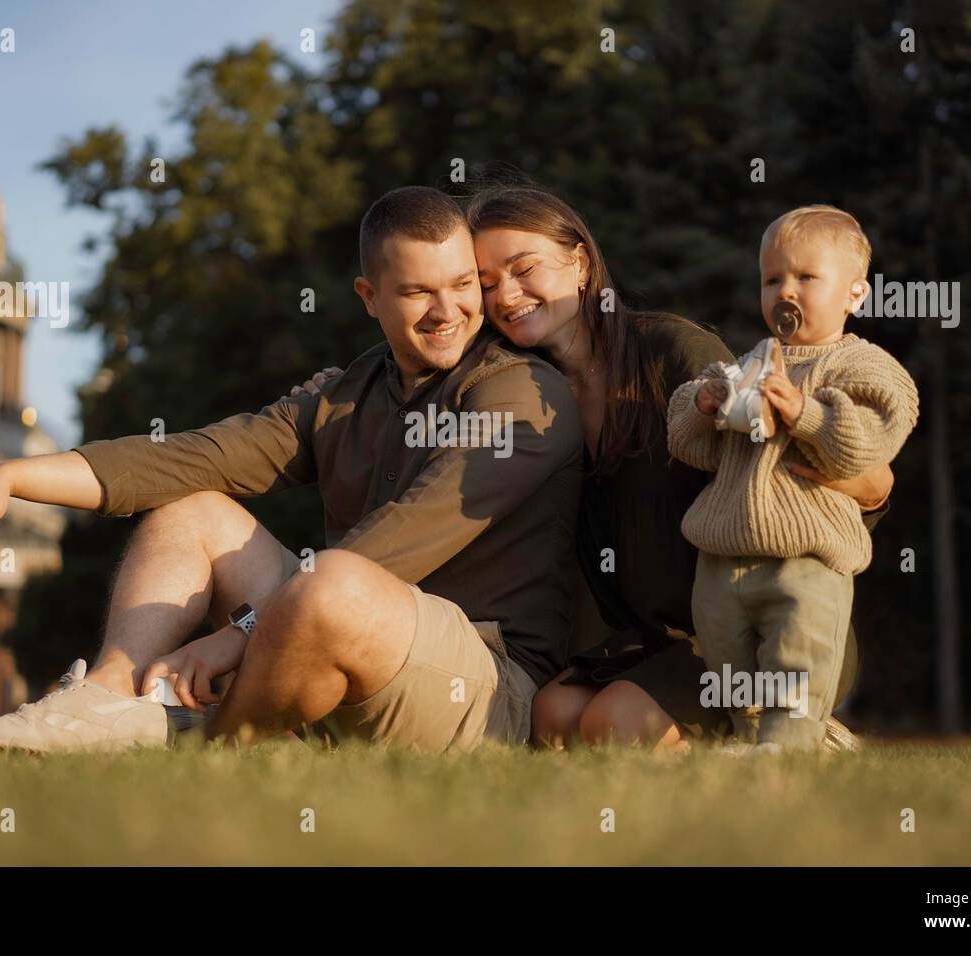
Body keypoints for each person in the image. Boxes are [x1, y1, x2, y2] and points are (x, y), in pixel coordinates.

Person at [0, 186, 582, 753]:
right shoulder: (346, 394)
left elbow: (402, 537)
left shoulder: (524, 394)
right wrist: (16, 475)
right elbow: (197, 456)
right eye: (417, 292)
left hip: (487, 685)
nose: (448, 312)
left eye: (464, 285)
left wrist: (242, 634)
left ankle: (205, 749)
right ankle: (102, 703)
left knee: (336, 580)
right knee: (196, 509)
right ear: (369, 296)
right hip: (332, 645)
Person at [293, 184, 894, 752]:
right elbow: (407, 373)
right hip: (647, 638)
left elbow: (776, 465)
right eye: (487, 281)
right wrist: (337, 389)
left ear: (580, 264)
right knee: (551, 719)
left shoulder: (671, 355)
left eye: (525, 269)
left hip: (750, 625)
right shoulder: (513, 392)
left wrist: (869, 487)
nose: (506, 295)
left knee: (614, 723)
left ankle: (798, 737)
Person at [668, 205, 918, 750]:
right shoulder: (752, 363)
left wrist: (805, 412)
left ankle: (792, 745)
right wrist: (703, 404)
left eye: (806, 277)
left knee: (796, 656)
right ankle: (761, 741)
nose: (787, 290)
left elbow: (871, 439)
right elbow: (690, 445)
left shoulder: (863, 366)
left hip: (807, 556)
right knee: (729, 665)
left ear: (856, 294)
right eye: (772, 279)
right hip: (723, 556)